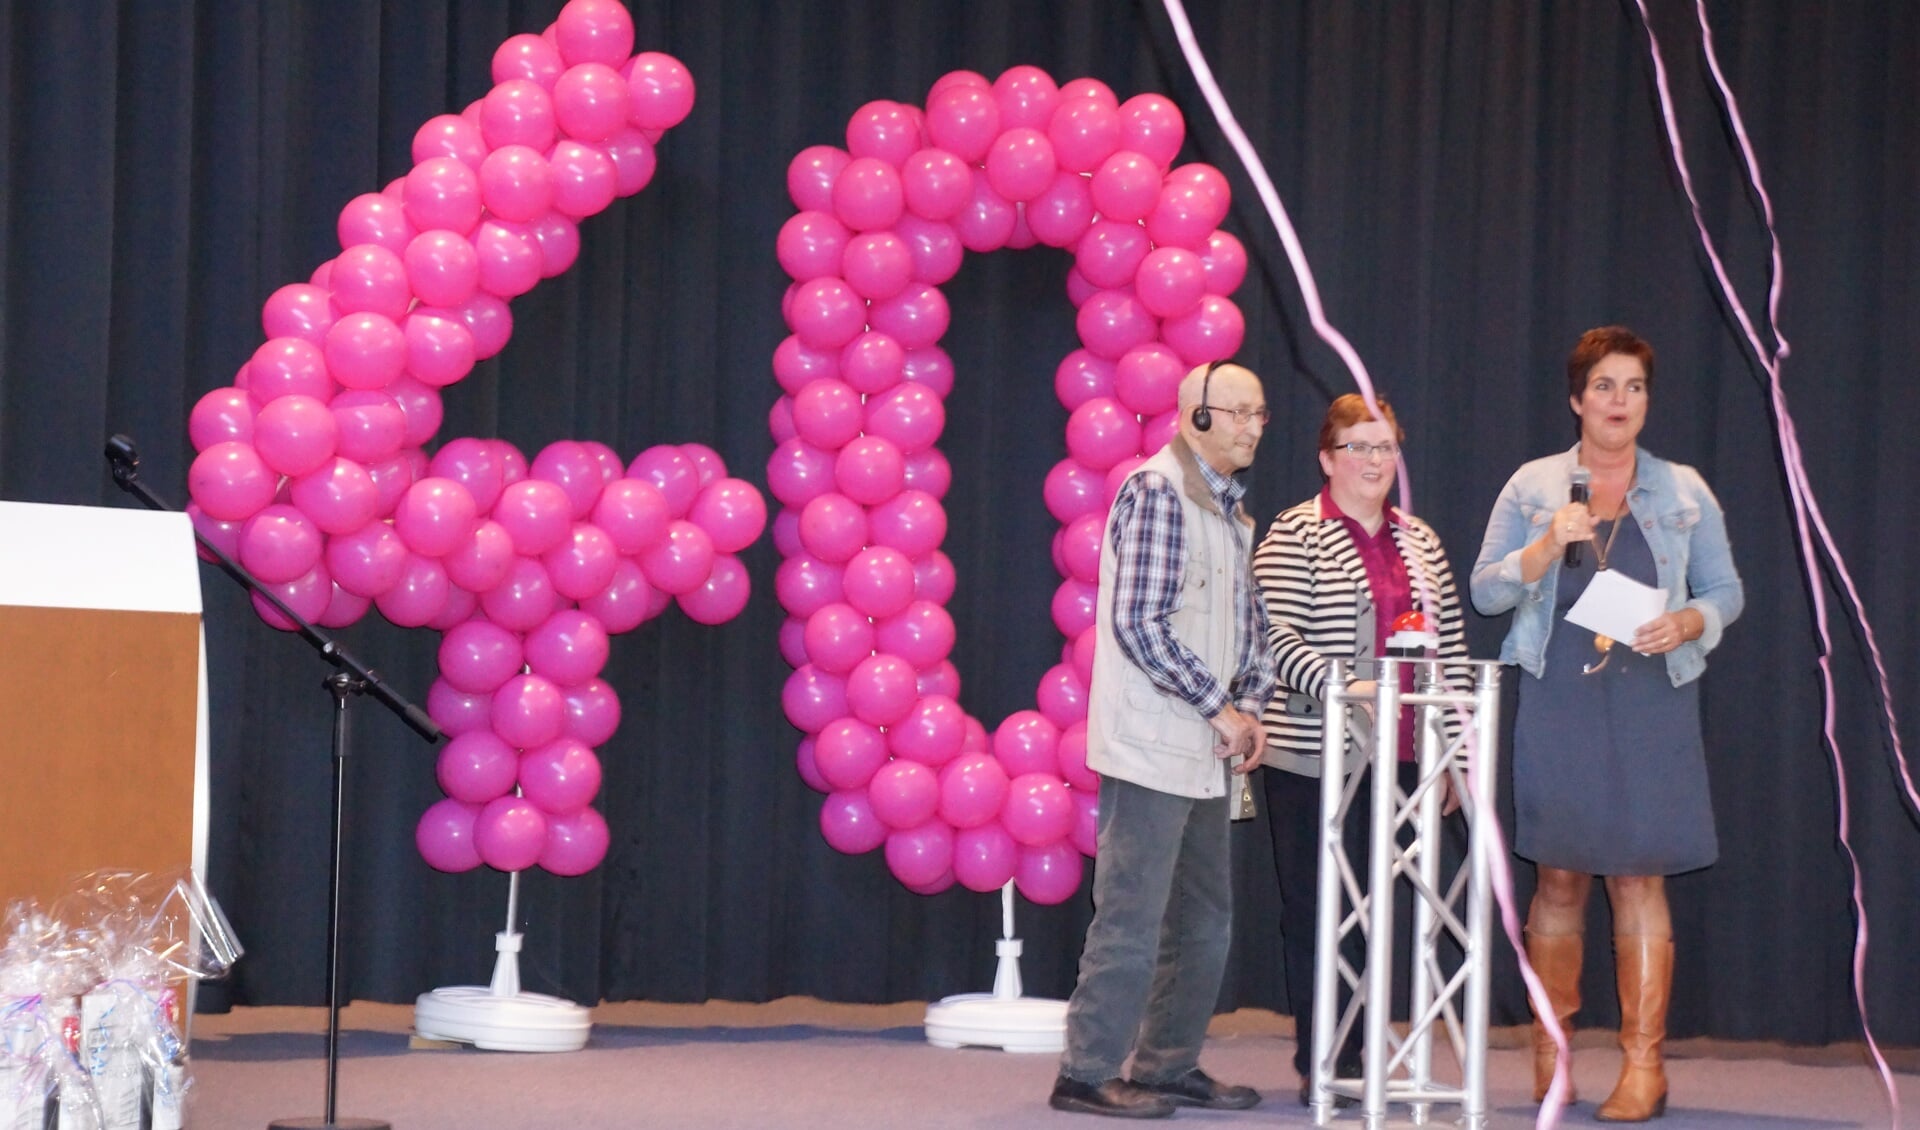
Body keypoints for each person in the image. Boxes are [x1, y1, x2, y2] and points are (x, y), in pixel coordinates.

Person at [1470, 326, 1743, 1121]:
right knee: (1557, 874)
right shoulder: (1534, 485)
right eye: (1604, 386)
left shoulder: (1683, 489)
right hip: (1561, 697)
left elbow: (1726, 590)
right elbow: (1487, 591)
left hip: (1652, 697)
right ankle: (1554, 1063)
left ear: (1647, 402)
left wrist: (1689, 623)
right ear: (1576, 399)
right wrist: (1545, 546)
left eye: (1633, 387)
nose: (1619, 401)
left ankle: (1643, 1068)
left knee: (1637, 874)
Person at [1049, 361, 1277, 1119]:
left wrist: (1253, 702)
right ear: (1196, 417)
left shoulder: (1232, 512)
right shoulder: (1156, 491)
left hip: (1209, 750)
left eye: (1259, 414)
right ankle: (1086, 1072)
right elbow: (1139, 622)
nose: (1250, 426)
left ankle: (1167, 1063)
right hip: (1154, 747)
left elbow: (1251, 628)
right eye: (1236, 413)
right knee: (1132, 917)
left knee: (1205, 921)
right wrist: (1222, 709)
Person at [1252, 393, 1470, 1107]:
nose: (1374, 462)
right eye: (1358, 448)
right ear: (1327, 458)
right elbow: (1271, 639)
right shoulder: (1295, 533)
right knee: (1321, 914)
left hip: (1405, 759)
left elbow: (1453, 654)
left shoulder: (1421, 540)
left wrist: (1454, 757)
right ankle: (1328, 1063)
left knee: (1382, 916)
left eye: (1385, 448)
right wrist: (1347, 687)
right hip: (1315, 760)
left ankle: (1370, 1053)